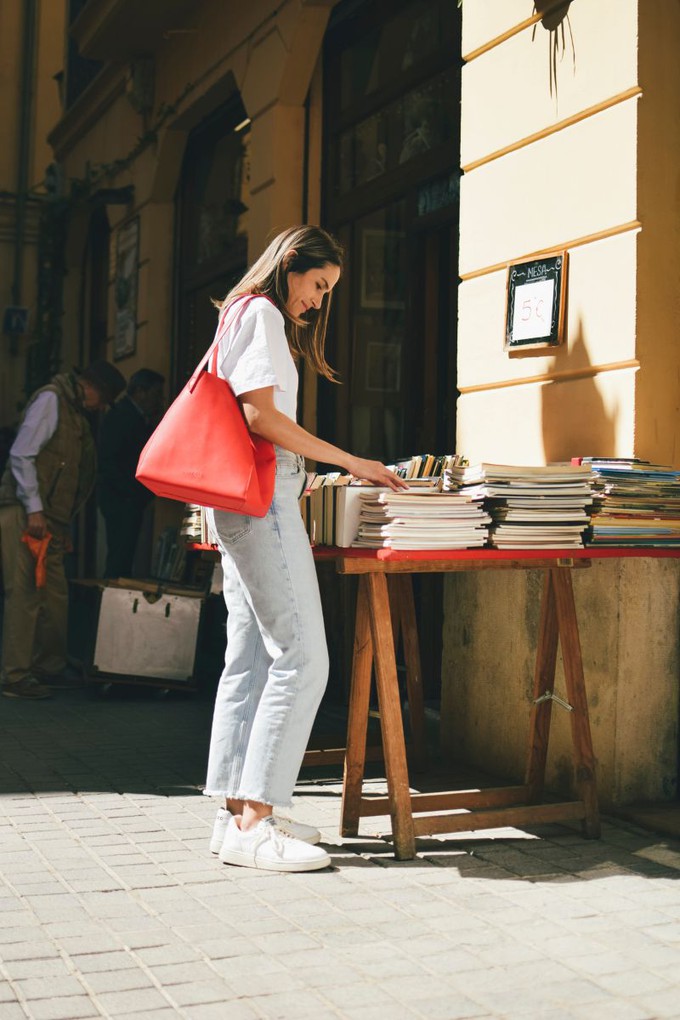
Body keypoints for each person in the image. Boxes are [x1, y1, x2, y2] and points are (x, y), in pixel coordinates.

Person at [204, 225, 408, 874]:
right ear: (290, 265)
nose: (319, 301)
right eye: (319, 285)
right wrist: (352, 462)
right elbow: (262, 418)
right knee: (303, 658)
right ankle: (256, 821)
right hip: (259, 500)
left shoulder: (237, 312)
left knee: (251, 658)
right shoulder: (261, 314)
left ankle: (235, 812)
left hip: (236, 503)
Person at [0, 360, 126, 699]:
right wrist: (36, 510)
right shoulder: (52, 401)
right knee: (25, 594)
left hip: (47, 521)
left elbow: (66, 475)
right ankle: (15, 676)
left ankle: (48, 667)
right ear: (92, 388)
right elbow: (22, 455)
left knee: (54, 596)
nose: (102, 409)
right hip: (26, 515)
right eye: (104, 400)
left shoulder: (74, 414)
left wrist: (59, 522)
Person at [97, 368, 164, 579]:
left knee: (123, 557)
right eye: (156, 394)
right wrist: (134, 493)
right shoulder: (122, 416)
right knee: (120, 559)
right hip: (121, 500)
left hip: (127, 498)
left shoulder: (136, 416)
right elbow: (108, 461)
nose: (159, 400)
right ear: (141, 392)